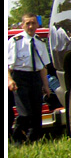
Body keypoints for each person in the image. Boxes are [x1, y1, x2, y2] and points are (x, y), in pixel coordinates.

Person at [8, 13, 52, 143]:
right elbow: (7, 64)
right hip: (19, 77)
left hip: (35, 77)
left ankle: (34, 139)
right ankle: (17, 138)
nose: (31, 26)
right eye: (28, 23)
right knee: (24, 112)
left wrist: (46, 85)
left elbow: (42, 67)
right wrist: (9, 80)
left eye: (33, 23)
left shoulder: (40, 42)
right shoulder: (15, 41)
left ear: (37, 24)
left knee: (36, 111)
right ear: (22, 25)